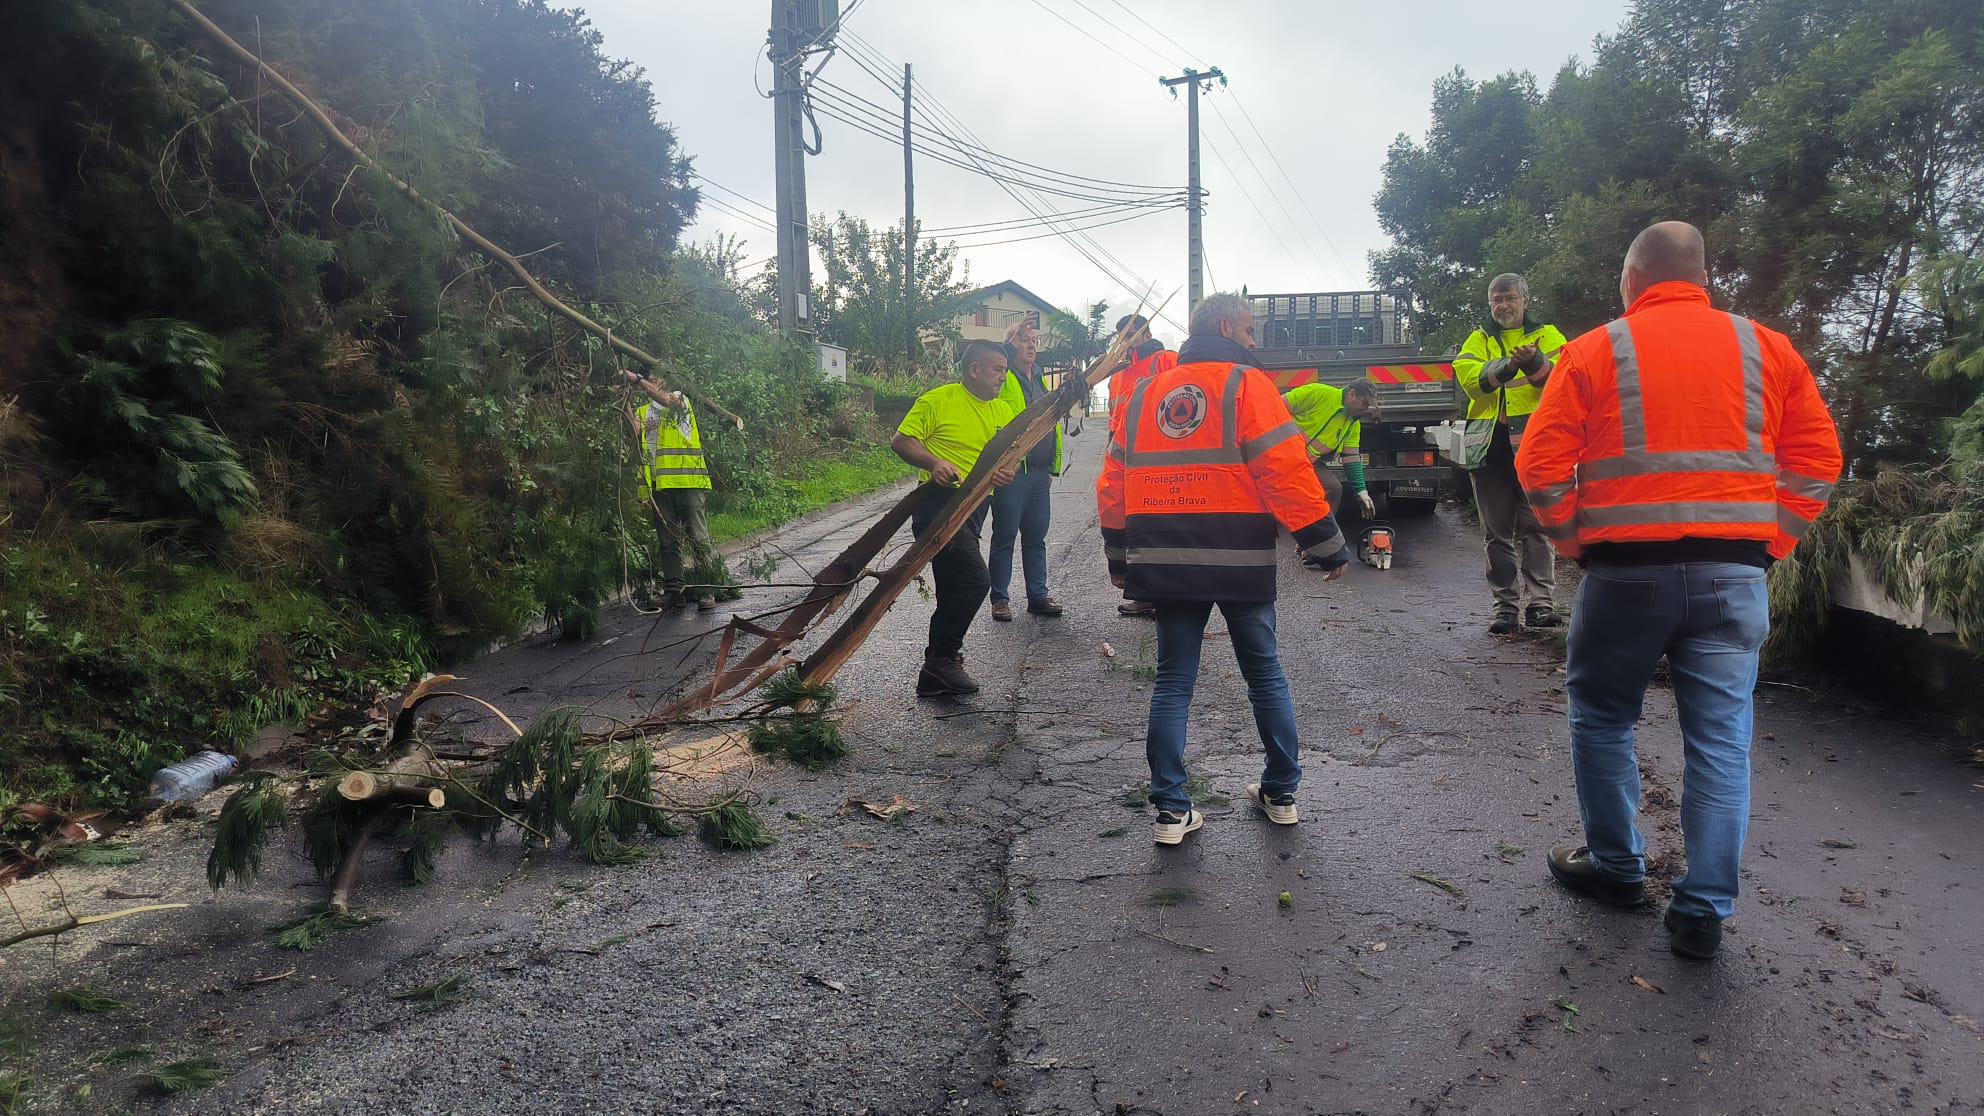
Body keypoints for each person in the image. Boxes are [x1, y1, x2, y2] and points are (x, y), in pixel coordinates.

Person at [1515, 221, 1841, 960]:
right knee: (1722, 742)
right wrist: (1772, 542)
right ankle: (1702, 911)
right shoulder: (1768, 348)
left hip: (1626, 576)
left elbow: (1539, 465)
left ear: (1632, 281)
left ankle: (1618, 869)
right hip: (1734, 576)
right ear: (1702, 277)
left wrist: (1573, 542)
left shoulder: (1595, 350)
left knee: (1602, 718)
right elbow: (1819, 457)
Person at [1098, 292, 1352, 846]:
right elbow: (1283, 467)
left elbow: (1114, 481)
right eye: (1250, 329)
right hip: (1240, 554)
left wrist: (1120, 557)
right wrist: (1323, 541)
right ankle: (1280, 793)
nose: (1255, 341)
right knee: (1264, 673)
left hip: (1165, 557)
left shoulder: (1143, 394)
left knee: (1173, 681)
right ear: (1223, 327)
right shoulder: (1247, 386)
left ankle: (1170, 809)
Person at [892, 340, 1020, 697]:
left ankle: (935, 672)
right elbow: (902, 441)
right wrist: (934, 463)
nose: (1002, 376)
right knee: (975, 581)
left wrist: (1005, 472)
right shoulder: (938, 400)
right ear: (974, 369)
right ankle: (942, 660)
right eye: (998, 369)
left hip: (977, 508)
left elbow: (1009, 458)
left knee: (952, 589)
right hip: (938, 505)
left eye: (1006, 370)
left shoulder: (1001, 411)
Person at [1453, 274, 1569, 634]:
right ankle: (1505, 607)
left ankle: (1541, 605)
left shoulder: (1548, 335)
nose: (1502, 306)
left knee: (1537, 527)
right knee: (1496, 532)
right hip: (1489, 445)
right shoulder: (1480, 337)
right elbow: (1467, 376)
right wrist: (1504, 367)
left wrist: (1535, 364)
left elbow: (1564, 377)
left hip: (1534, 445)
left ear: (1525, 301)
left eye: (1509, 298)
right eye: (1496, 300)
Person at [621, 371, 723, 610]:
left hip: (688, 481)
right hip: (659, 486)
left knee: (697, 537)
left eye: (654, 378)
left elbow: (668, 401)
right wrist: (625, 398)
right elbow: (632, 431)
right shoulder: (644, 412)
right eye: (648, 377)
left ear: (665, 381)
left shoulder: (680, 400)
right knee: (667, 541)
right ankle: (675, 590)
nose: (651, 381)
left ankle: (707, 590)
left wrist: (637, 380)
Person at [986, 318, 1065, 622]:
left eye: (1033, 341)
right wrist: (1013, 333)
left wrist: (1050, 468)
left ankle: (1038, 595)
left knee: (1036, 537)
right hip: (1012, 473)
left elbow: (1052, 426)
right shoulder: (1005, 378)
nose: (1031, 345)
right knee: (1004, 535)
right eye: (1023, 340)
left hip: (1039, 473)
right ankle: (1000, 599)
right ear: (1010, 347)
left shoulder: (1041, 381)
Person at [1105, 314, 1178, 617]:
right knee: (1136, 533)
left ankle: (1170, 598)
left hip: (1161, 461)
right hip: (1128, 463)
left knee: (1164, 533)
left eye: (1129, 334)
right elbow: (1114, 419)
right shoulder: (1118, 374)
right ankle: (1147, 595)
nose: (1124, 341)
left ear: (1145, 334)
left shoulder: (1166, 361)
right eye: (1120, 335)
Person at [1284, 379, 1380, 521]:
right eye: (1365, 403)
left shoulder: (1353, 425)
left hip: (1307, 463)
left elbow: (1351, 460)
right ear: (1352, 394)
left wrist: (1362, 491)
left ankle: (1317, 536)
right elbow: (1275, 406)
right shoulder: (1319, 393)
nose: (1366, 409)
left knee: (1333, 488)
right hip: (1281, 453)